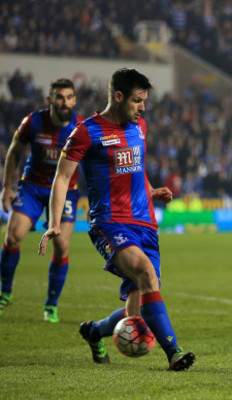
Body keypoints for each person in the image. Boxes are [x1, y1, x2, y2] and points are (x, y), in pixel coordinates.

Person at [39, 68, 195, 371]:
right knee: (147, 274)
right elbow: (62, 178)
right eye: (138, 101)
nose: (143, 108)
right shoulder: (86, 132)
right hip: (110, 223)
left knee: (136, 313)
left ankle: (94, 331)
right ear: (118, 96)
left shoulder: (140, 126)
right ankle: (175, 353)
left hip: (146, 224)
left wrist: (151, 190)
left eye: (145, 101)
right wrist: (54, 222)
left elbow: (134, 168)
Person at [0, 78, 83, 323]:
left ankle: (51, 305)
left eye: (69, 97)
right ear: (50, 100)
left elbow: (94, 163)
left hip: (67, 190)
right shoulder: (34, 121)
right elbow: (14, 150)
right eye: (59, 97)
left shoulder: (82, 127)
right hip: (34, 187)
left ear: (75, 100)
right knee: (13, 236)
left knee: (62, 246)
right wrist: (7, 187)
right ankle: (5, 291)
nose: (64, 102)